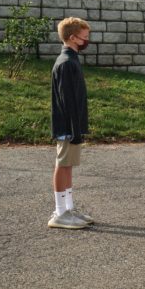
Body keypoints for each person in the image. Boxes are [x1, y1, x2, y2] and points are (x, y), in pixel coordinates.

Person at [48, 17, 94, 230]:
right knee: (62, 164)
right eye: (84, 37)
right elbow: (67, 100)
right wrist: (74, 129)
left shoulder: (71, 59)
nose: (87, 40)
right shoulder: (66, 63)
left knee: (68, 166)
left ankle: (68, 208)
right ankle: (60, 212)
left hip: (71, 125)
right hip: (67, 126)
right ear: (72, 38)